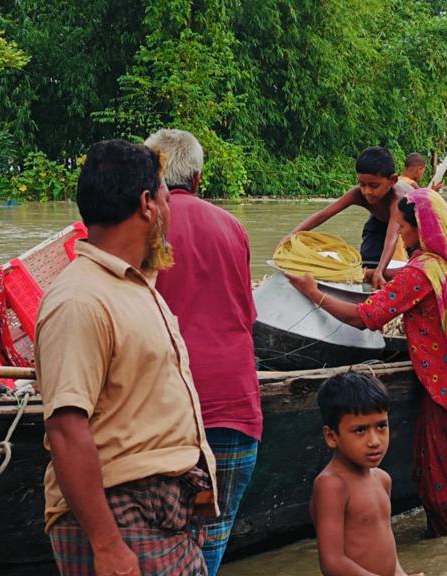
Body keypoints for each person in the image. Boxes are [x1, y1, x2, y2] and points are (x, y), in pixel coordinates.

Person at [288, 188, 447, 537]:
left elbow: (364, 317)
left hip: (446, 394)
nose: (399, 233)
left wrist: (313, 292)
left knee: (440, 478)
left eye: (402, 227)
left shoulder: (422, 272)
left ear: (423, 229)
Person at [36, 139, 218, 576]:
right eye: (166, 198)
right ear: (146, 205)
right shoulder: (80, 299)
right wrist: (107, 544)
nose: (169, 211)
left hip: (160, 510)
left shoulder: (133, 286)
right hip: (121, 510)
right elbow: (65, 426)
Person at [145, 128, 262, 576]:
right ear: (196, 179)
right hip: (233, 403)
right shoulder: (232, 225)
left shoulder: (141, 224)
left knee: (158, 539)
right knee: (210, 538)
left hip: (165, 407)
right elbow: (246, 315)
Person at [311, 372, 418, 576]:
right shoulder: (331, 485)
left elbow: (389, 554)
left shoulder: (382, 479)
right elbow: (332, 563)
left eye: (381, 426)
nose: (374, 441)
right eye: (360, 430)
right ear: (332, 436)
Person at [285, 147, 410, 289]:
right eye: (362, 184)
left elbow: (391, 237)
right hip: (378, 221)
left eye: (373, 185)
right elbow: (322, 215)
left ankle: (378, 273)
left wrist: (380, 271)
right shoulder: (358, 194)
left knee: (417, 266)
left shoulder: (397, 199)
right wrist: (289, 237)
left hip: (412, 226)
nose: (367, 191)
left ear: (392, 180)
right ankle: (370, 275)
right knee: (366, 263)